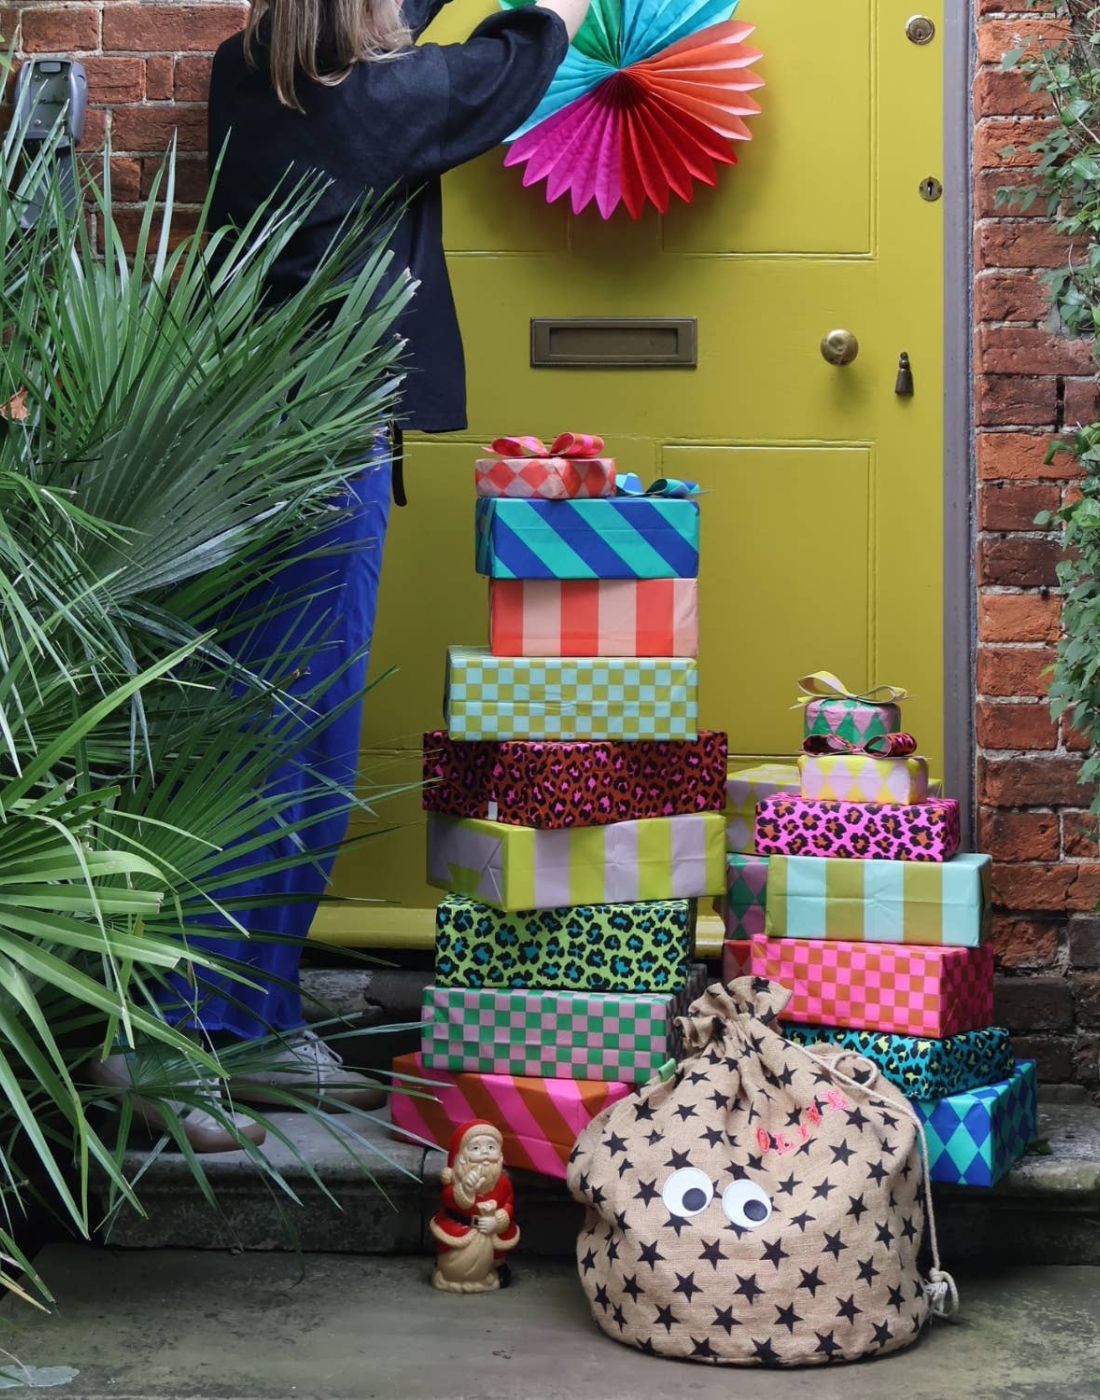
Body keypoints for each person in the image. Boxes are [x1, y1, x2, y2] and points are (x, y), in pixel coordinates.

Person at [99, 0, 593, 1150]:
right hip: (309, 447)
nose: (405, 21)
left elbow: (400, 27)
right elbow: (500, 69)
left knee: (296, 740)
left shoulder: (251, 72)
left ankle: (254, 1014)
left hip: (277, 431)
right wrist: (555, 11)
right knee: (272, 746)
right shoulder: (366, 105)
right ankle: (171, 1043)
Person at [429, 1120, 519, 1293]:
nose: (485, 1152)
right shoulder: (454, 1181)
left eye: (491, 1147)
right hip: (463, 1229)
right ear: (463, 1156)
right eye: (476, 1148)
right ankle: (454, 1273)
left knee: (497, 1250)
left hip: (491, 1231)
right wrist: (465, 1190)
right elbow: (449, 1200)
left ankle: (496, 1267)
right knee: (458, 1265)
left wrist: (498, 1220)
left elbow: (508, 1203)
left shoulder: (503, 1182)